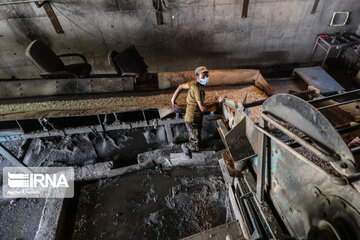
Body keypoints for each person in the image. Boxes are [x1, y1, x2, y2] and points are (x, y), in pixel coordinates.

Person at [171, 66, 223, 158]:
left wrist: (173, 99)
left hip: (196, 117)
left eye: (207, 76)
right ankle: (185, 146)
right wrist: (216, 102)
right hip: (192, 118)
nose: (206, 78)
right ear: (197, 77)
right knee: (195, 144)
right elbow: (203, 108)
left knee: (197, 139)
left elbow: (180, 86)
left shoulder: (193, 83)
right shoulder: (197, 89)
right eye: (203, 77)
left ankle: (196, 147)